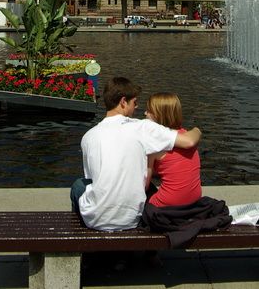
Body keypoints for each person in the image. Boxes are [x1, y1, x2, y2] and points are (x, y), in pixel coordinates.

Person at [71, 77, 202, 231]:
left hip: (95, 221)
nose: (137, 106)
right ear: (123, 102)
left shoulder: (88, 137)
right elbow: (188, 141)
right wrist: (197, 130)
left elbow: (94, 178)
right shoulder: (143, 127)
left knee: (78, 185)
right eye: (135, 102)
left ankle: (80, 235)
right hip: (132, 219)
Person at [144, 93, 201, 208]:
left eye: (149, 111)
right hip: (194, 200)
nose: (145, 113)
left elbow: (144, 185)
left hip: (166, 205)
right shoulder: (185, 135)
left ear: (159, 115)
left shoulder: (155, 144)